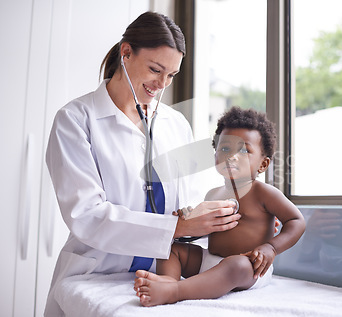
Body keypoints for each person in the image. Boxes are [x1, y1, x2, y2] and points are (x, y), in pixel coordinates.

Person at [44, 12, 241, 316]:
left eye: (171, 75)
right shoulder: (75, 120)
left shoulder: (176, 124)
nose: (161, 84)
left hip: (161, 277)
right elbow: (87, 216)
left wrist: (232, 219)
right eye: (155, 69)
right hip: (95, 275)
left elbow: (185, 209)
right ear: (126, 53)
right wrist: (178, 225)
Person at [133, 106, 306, 306]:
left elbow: (296, 221)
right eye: (225, 148)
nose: (232, 156)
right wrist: (187, 222)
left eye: (244, 150)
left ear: (263, 165)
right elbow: (210, 230)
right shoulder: (213, 193)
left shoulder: (263, 193)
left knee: (236, 265)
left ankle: (176, 290)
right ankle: (168, 280)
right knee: (168, 247)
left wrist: (271, 248)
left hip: (249, 268)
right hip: (211, 260)